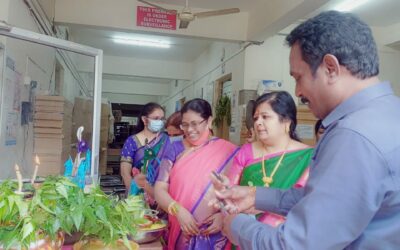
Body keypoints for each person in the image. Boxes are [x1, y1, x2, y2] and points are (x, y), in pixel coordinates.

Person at [211, 11, 400, 249]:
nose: (298, 92)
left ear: (330, 68)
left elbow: (294, 245)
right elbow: (331, 202)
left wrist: (236, 225)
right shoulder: (389, 113)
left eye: (298, 77)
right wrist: (255, 196)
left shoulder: (354, 137)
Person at [227, 91, 312, 243]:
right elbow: (229, 193)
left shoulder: (308, 157)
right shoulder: (246, 152)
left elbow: (306, 203)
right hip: (244, 235)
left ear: (286, 121)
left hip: (283, 239)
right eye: (256, 118)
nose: (258, 122)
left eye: (265, 117)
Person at [154, 98, 239, 250]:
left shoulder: (229, 152)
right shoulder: (174, 150)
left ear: (209, 121)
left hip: (216, 233)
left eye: (195, 123)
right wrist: (178, 211)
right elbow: (159, 189)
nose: (189, 130)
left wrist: (224, 216)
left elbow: (238, 194)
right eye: (185, 125)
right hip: (181, 229)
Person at [120, 102, 170, 201]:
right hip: (137, 196)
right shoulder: (132, 141)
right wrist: (134, 196)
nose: (160, 122)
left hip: (163, 197)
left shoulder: (166, 140)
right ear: (144, 119)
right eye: (156, 118)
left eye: (162, 119)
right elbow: (125, 173)